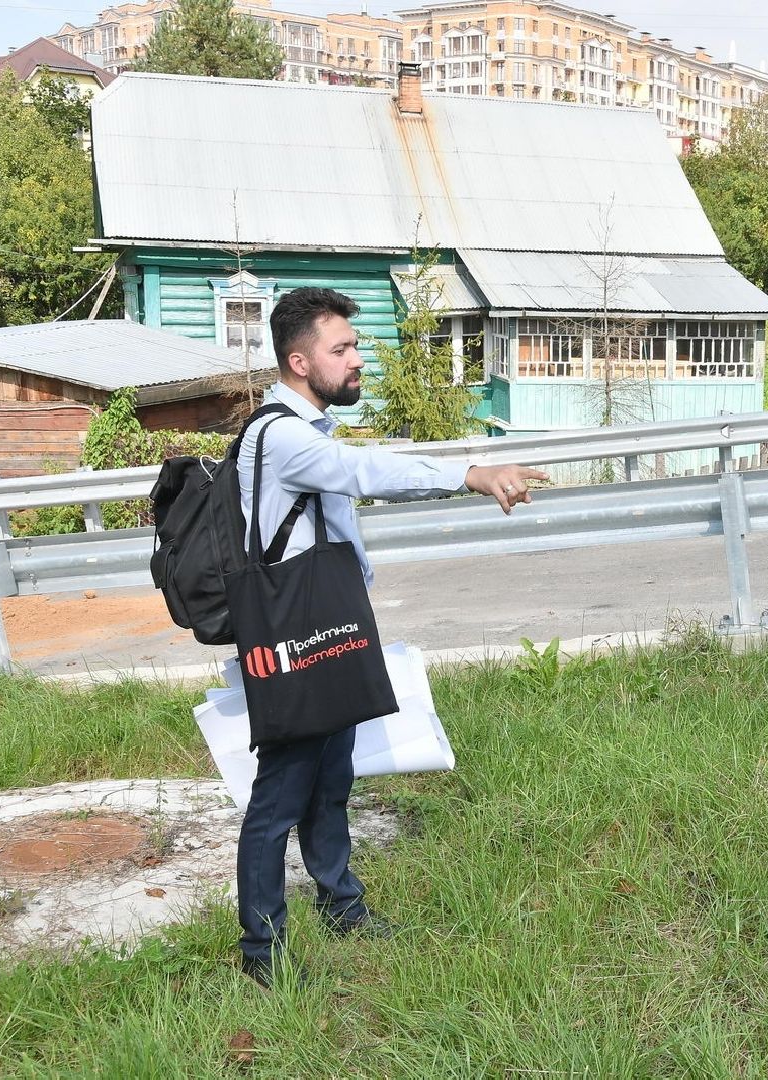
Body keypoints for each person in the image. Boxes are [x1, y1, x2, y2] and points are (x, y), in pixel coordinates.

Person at [234, 286, 546, 989]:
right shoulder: (282, 437)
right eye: (340, 350)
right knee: (279, 796)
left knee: (331, 779)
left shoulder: (305, 430)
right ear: (297, 360)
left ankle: (342, 906)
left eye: (354, 347)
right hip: (295, 638)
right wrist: (470, 472)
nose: (357, 361)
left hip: (326, 624)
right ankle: (263, 953)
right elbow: (367, 473)